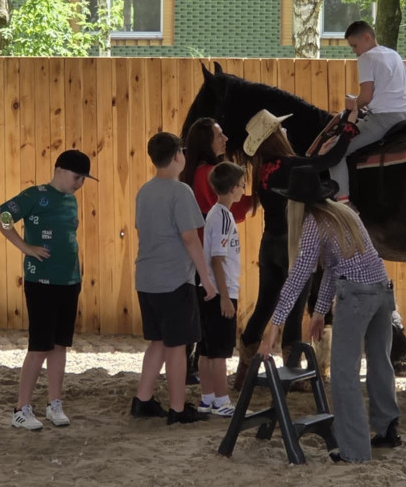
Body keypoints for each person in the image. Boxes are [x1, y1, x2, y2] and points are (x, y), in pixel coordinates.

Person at [257, 165, 401, 463]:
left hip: (357, 297)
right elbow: (334, 268)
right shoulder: (345, 214)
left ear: (295, 201)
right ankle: (388, 429)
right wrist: (320, 311)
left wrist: (276, 322)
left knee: (343, 376)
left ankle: (354, 452)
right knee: (380, 363)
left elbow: (299, 275)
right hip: (382, 291)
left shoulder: (312, 224)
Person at [0, 149, 94, 431]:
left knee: (60, 344)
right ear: (59, 170)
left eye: (83, 179)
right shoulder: (35, 195)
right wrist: (24, 247)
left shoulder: (71, 201)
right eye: (77, 176)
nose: (79, 183)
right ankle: (21, 407)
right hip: (41, 282)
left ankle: (54, 402)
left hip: (69, 281)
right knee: (39, 346)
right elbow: (0, 214)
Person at [130, 132, 216, 425]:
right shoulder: (181, 192)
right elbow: (190, 238)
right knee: (177, 346)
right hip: (174, 280)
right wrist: (206, 278)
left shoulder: (144, 190)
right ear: (179, 155)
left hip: (146, 278)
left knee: (157, 341)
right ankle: (178, 409)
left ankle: (142, 400)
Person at [234, 109, 308, 382]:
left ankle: (244, 368)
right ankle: (293, 372)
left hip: (270, 244)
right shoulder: (292, 164)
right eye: (280, 129)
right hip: (293, 245)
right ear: (276, 136)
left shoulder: (262, 168)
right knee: (295, 311)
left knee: (265, 305)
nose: (284, 131)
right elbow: (325, 163)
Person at [328, 20, 406, 204]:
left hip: (383, 119)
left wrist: (353, 104)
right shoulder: (393, 54)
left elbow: (366, 97)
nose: (354, 51)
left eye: (354, 45)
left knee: (335, 150)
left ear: (367, 37)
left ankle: (343, 204)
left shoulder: (366, 58)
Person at [196, 162, 247, 417]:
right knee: (218, 352)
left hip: (210, 291)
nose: (243, 190)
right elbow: (217, 259)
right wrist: (225, 297)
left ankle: (207, 398)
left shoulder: (215, 213)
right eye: (241, 185)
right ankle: (222, 401)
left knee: (206, 349)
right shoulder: (224, 217)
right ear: (231, 188)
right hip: (220, 292)